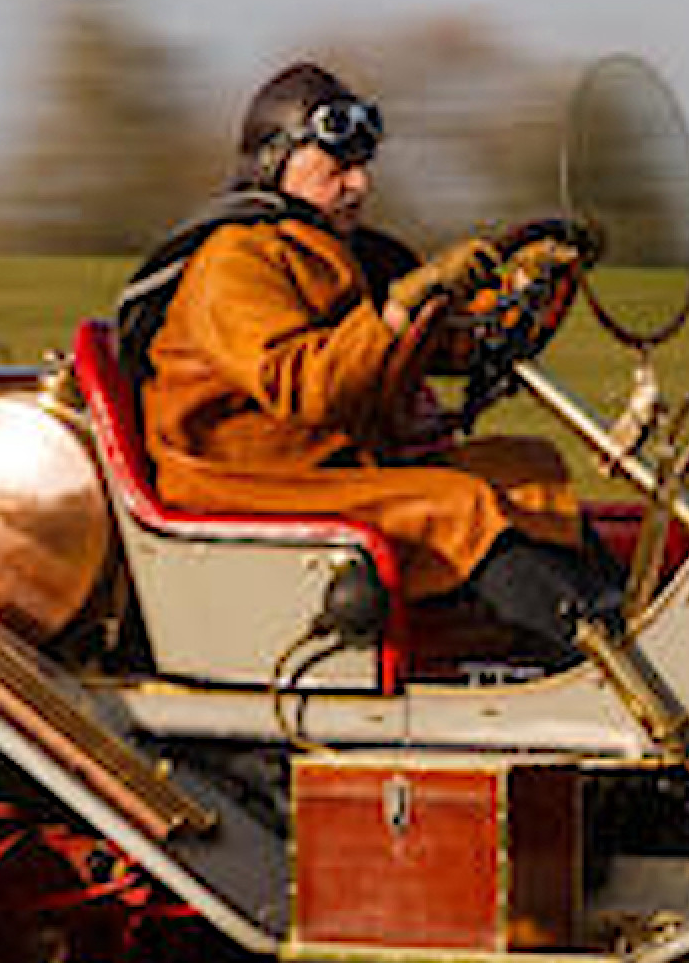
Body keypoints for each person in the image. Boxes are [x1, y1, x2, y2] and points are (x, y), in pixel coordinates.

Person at [122, 62, 627, 663]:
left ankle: (620, 634)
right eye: (337, 167)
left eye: (362, 166)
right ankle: (598, 673)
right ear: (276, 161)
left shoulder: (347, 251)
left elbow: (444, 343)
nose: (358, 183)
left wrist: (525, 289)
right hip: (247, 484)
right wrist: (394, 314)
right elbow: (304, 384)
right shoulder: (236, 261)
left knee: (528, 468)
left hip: (334, 464)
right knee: (457, 508)